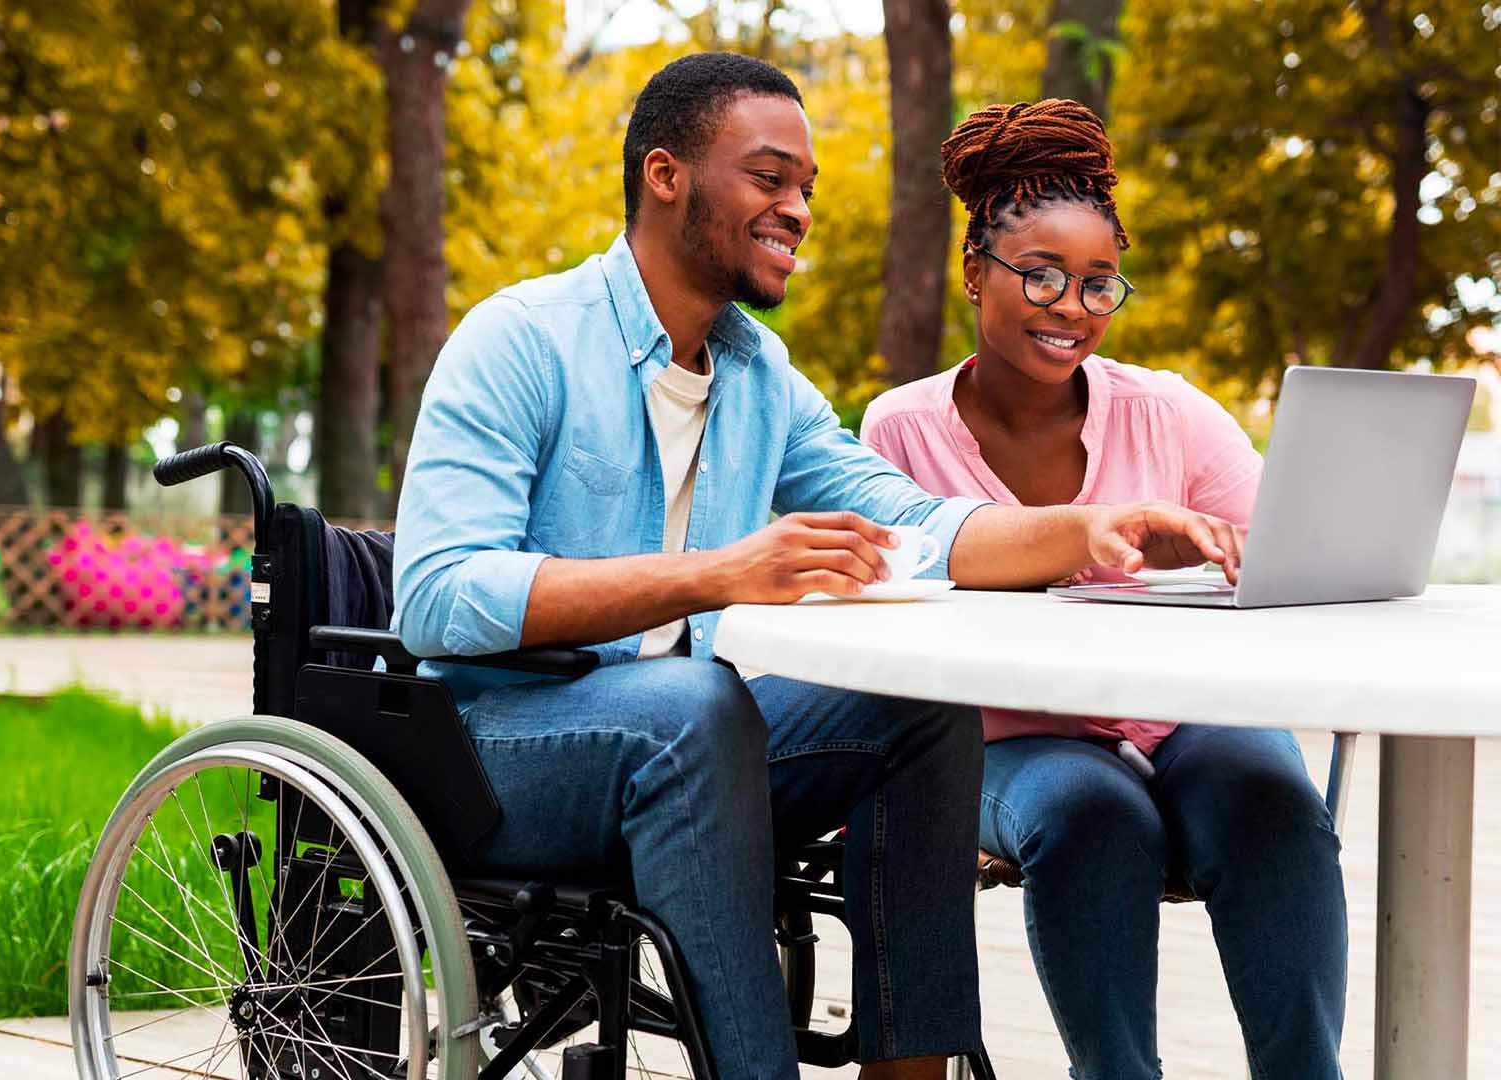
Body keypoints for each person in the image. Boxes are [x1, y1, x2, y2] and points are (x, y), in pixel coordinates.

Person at [392, 55, 1243, 1080]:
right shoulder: (521, 339)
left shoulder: (759, 376)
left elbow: (915, 525)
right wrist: (716, 574)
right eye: (768, 179)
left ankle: (912, 1071)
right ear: (665, 174)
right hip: (500, 750)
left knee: (919, 703)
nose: (797, 209)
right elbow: (437, 595)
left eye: (807, 189)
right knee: (694, 705)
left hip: (681, 729)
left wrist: (1096, 525)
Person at [861, 99, 1346, 1080]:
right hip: (1008, 741)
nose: (1069, 306)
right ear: (973, 273)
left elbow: (1283, 552)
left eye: (1096, 284)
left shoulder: (1169, 413)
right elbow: (894, 609)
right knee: (1096, 816)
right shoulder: (902, 432)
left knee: (1272, 801)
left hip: (1183, 717)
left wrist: (1215, 550)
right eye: (1039, 275)